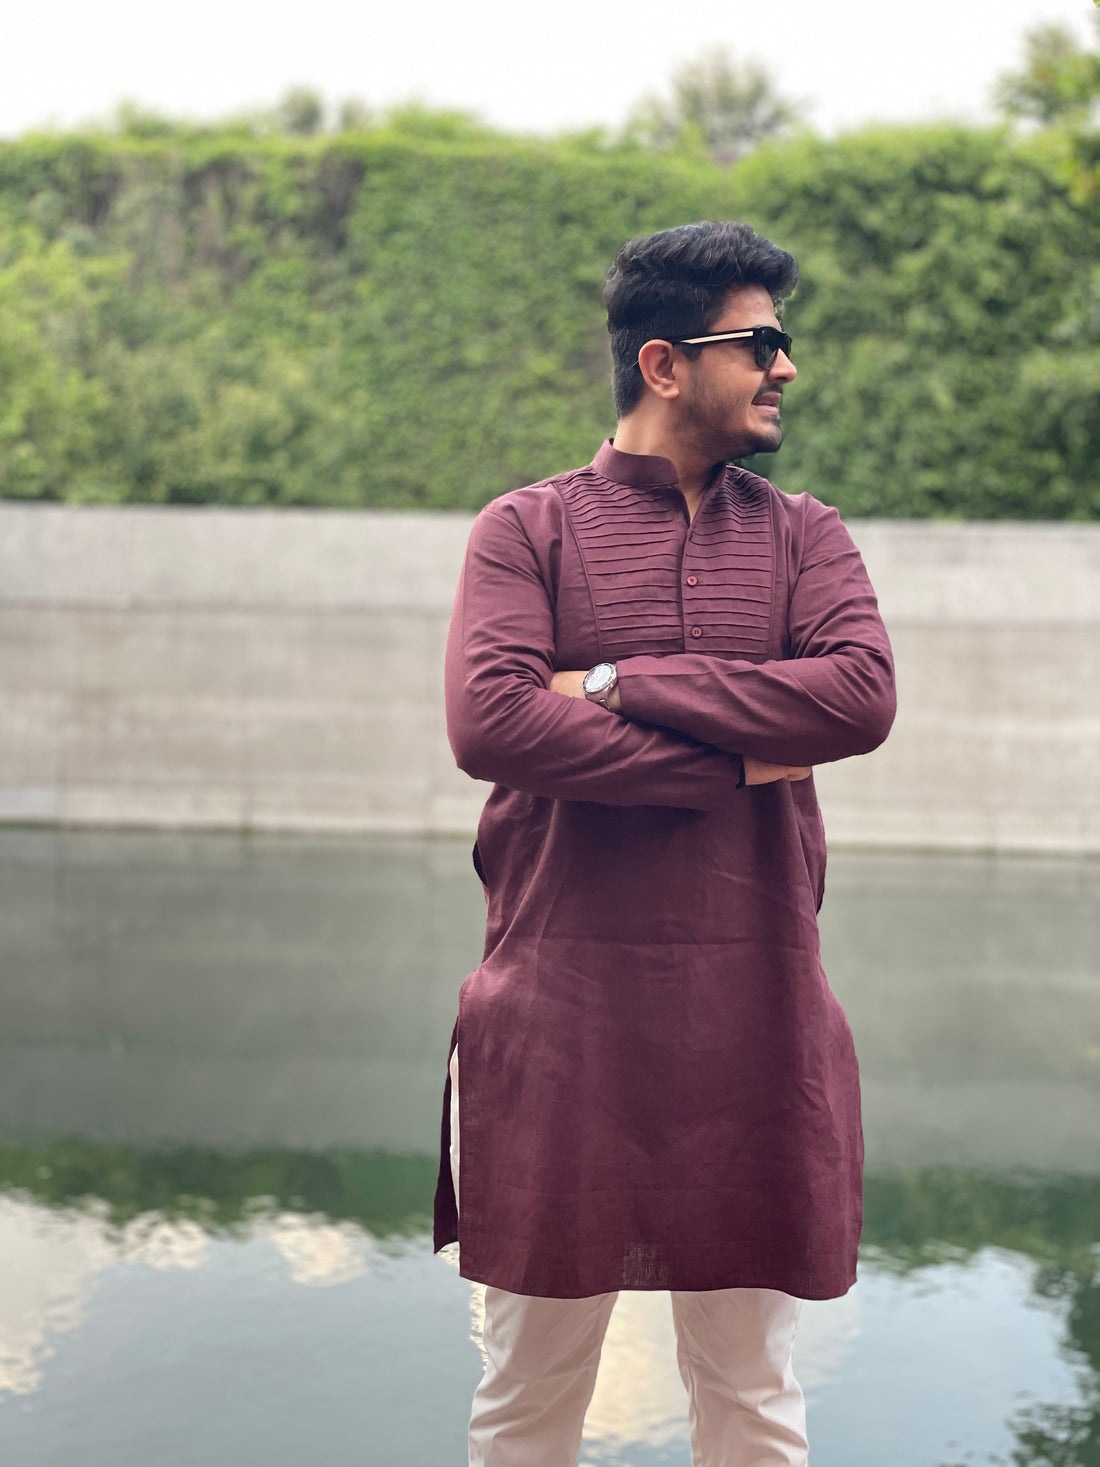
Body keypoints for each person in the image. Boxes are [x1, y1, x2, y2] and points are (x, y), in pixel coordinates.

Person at [434, 220, 896, 1467]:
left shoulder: (803, 535)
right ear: (663, 363)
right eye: (759, 342)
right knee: (526, 1404)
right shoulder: (523, 530)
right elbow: (491, 724)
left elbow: (857, 698)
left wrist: (614, 680)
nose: (785, 366)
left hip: (757, 1022)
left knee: (751, 1399)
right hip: (559, 1025)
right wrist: (738, 762)